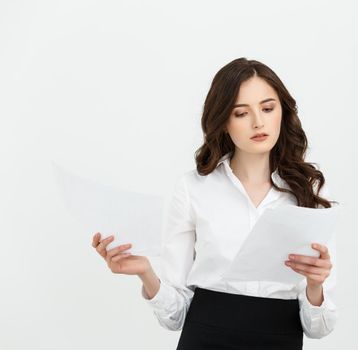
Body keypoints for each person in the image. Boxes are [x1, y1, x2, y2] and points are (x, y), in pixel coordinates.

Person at [91, 57, 339, 349]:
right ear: (223, 122)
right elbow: (175, 317)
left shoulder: (305, 195)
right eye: (241, 113)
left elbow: (319, 328)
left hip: (280, 339)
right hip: (205, 338)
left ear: (282, 112)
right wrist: (146, 273)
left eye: (268, 108)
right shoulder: (193, 188)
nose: (258, 122)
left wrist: (315, 286)